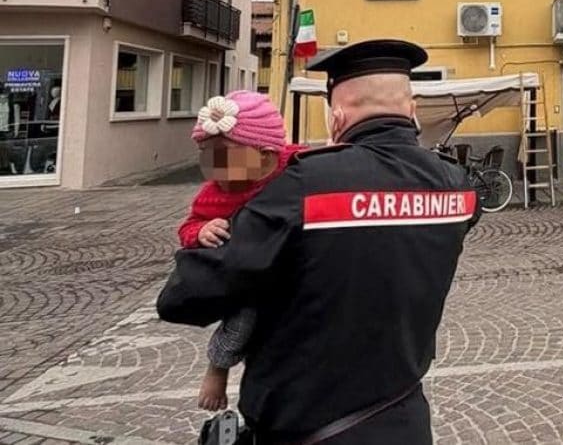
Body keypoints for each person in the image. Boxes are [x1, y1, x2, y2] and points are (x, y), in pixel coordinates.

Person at [157, 39, 480, 444]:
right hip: (405, 421)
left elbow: (183, 297)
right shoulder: (459, 188)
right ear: (412, 111)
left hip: (306, 427)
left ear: (336, 118)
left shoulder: (303, 187)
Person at [176, 91, 305, 411]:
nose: (212, 165)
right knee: (244, 313)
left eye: (223, 155)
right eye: (205, 153)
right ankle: (217, 368)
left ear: (265, 154)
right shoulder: (213, 194)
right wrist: (200, 231)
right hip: (252, 273)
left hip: (296, 263)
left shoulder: (297, 165)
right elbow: (189, 226)